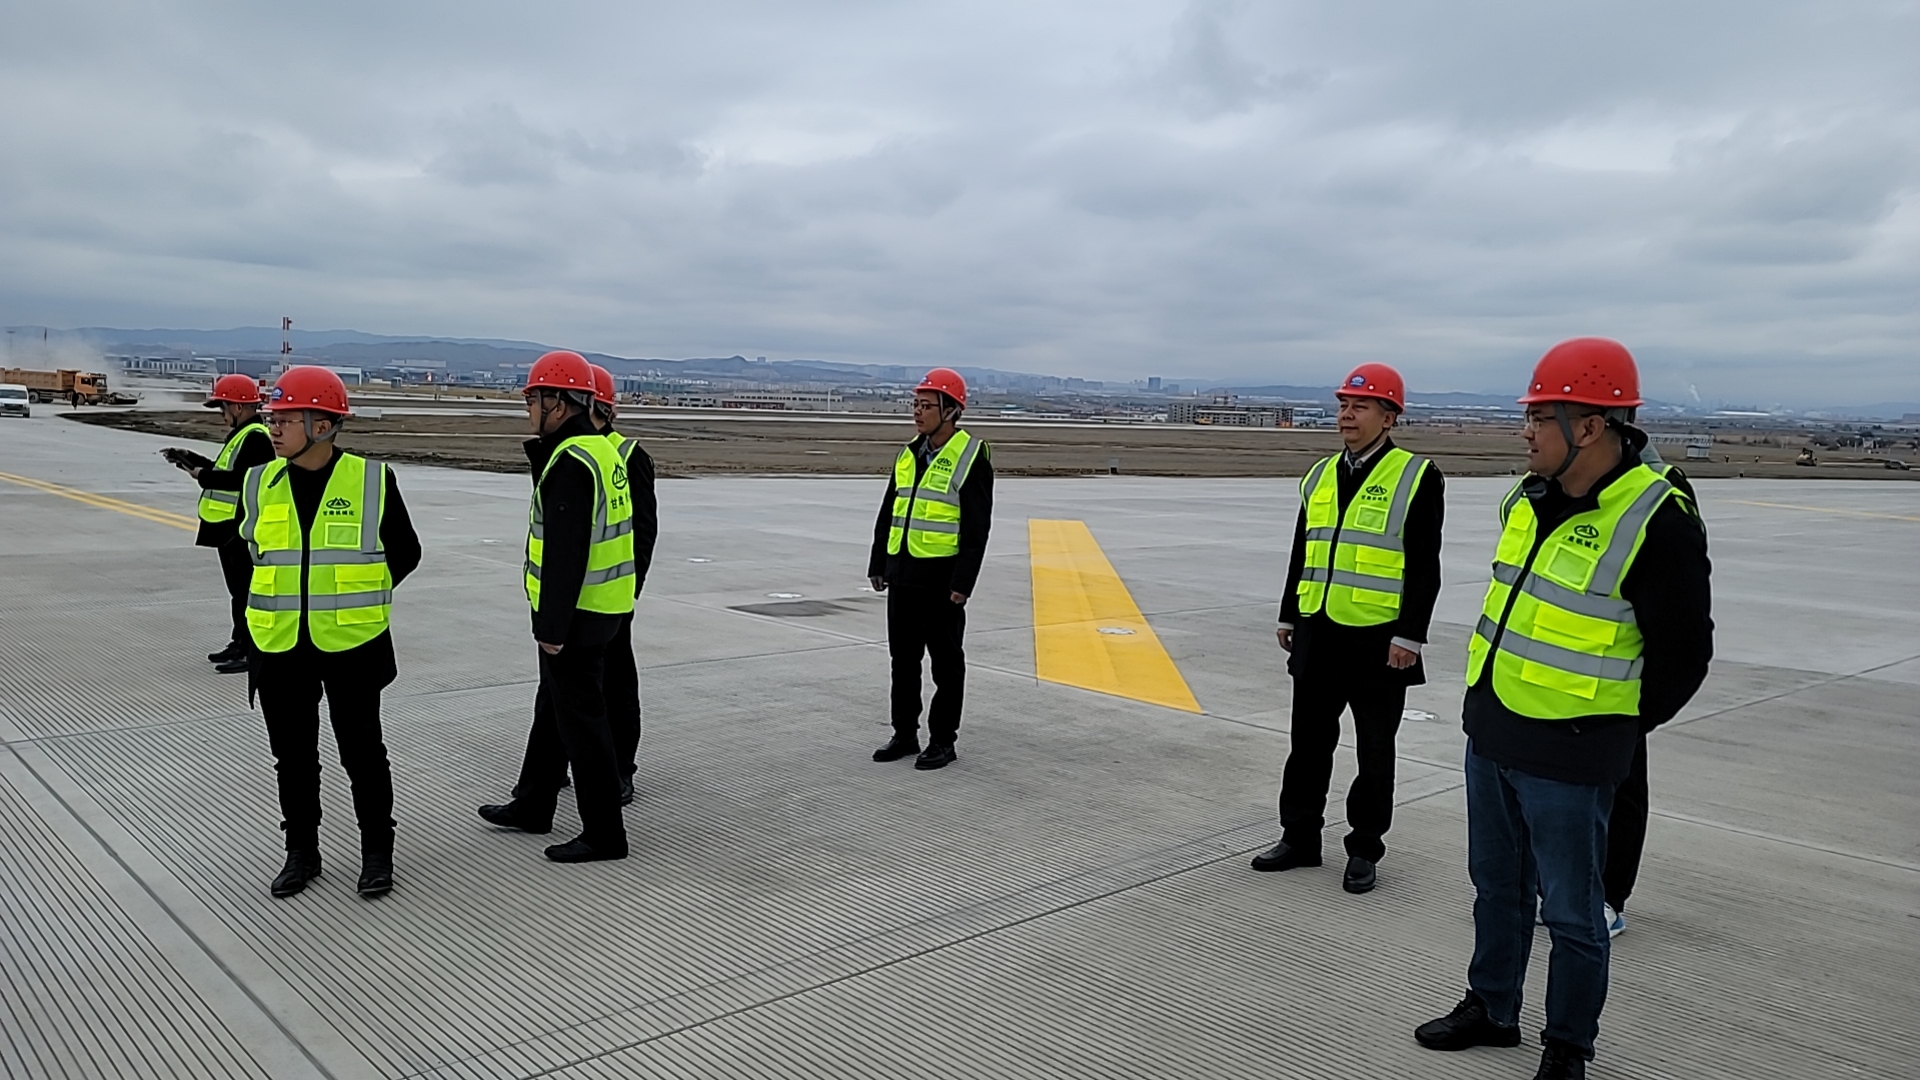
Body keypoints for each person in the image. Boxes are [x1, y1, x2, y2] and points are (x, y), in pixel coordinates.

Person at [1414, 338, 1713, 1079]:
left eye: (1538, 417)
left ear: (1590, 427)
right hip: (1493, 730)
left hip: (1574, 751)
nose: (1525, 431)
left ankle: (1568, 1047)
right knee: (1496, 888)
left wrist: (1613, 726)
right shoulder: (1527, 497)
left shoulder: (1656, 517)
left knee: (1574, 914)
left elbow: (1684, 656)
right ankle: (1493, 1007)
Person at [1252, 363, 1445, 894]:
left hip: (1379, 638)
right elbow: (1303, 549)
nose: (1347, 415)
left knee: (1374, 751)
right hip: (1318, 629)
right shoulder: (1319, 475)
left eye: (1361, 406)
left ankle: (1364, 848)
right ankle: (1299, 837)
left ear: (1389, 417)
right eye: (1343, 405)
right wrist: (1289, 613)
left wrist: (1410, 635)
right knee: (1307, 744)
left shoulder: (1416, 475)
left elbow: (1424, 565)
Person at [236, 366, 421, 899]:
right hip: (279, 643)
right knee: (293, 758)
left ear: (322, 425)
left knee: (363, 754)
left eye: (285, 419)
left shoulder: (371, 480)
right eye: (272, 417)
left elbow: (405, 553)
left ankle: (377, 853)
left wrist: (354, 597)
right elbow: (253, 553)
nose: (273, 428)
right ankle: (301, 852)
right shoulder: (259, 482)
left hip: (350, 645)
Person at [478, 351, 635, 862]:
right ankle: (533, 803)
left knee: (583, 724)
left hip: (577, 617)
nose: (528, 407)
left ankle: (605, 833)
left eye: (533, 398)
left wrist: (551, 628)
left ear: (558, 403)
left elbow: (568, 553)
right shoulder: (602, 451)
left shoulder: (570, 462)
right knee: (555, 711)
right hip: (604, 608)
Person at [867, 368, 993, 770]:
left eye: (926, 405)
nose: (917, 412)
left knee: (946, 666)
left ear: (951, 410)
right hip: (902, 574)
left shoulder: (970, 456)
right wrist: (878, 562)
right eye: (915, 404)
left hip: (942, 581)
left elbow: (976, 527)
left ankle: (942, 741)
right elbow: (889, 511)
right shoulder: (908, 454)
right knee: (903, 662)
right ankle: (905, 734)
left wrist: (963, 583)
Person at [161, 374, 275, 673]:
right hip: (227, 528)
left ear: (238, 407)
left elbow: (244, 480)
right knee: (238, 592)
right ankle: (239, 642)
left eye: (223, 408)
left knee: (246, 592)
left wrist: (203, 475)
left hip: (240, 527)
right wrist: (193, 460)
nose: (222, 415)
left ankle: (250, 650)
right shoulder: (242, 436)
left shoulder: (256, 438)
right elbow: (228, 470)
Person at [589, 362, 658, 803]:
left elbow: (643, 531)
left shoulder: (629, 456)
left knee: (615, 684)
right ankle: (551, 767)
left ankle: (621, 768)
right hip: (571, 598)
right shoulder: (568, 453)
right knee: (558, 689)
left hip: (612, 595)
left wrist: (630, 588)